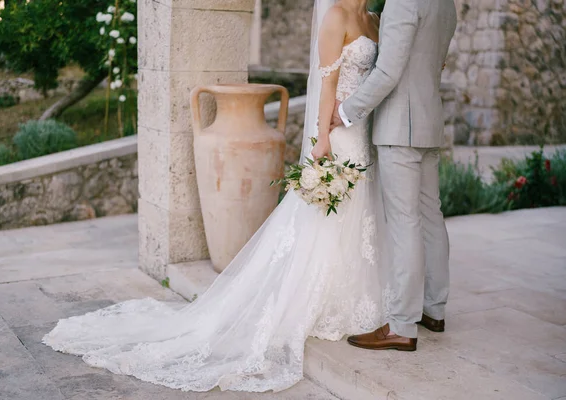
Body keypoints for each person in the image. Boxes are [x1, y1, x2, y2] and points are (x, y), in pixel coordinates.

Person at [43, 0, 399, 393]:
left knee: (357, 216)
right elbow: (327, 82)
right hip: (339, 135)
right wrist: (321, 140)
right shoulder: (336, 15)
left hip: (364, 134)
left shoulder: (374, 16)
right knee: (326, 218)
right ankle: (314, 303)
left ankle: (352, 299)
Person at [323, 0, 457, 350]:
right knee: (431, 216)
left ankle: (401, 326)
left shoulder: (402, 3)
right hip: (429, 122)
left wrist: (348, 110)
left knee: (404, 222)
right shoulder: (446, 4)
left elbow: (388, 72)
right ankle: (434, 309)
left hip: (401, 126)